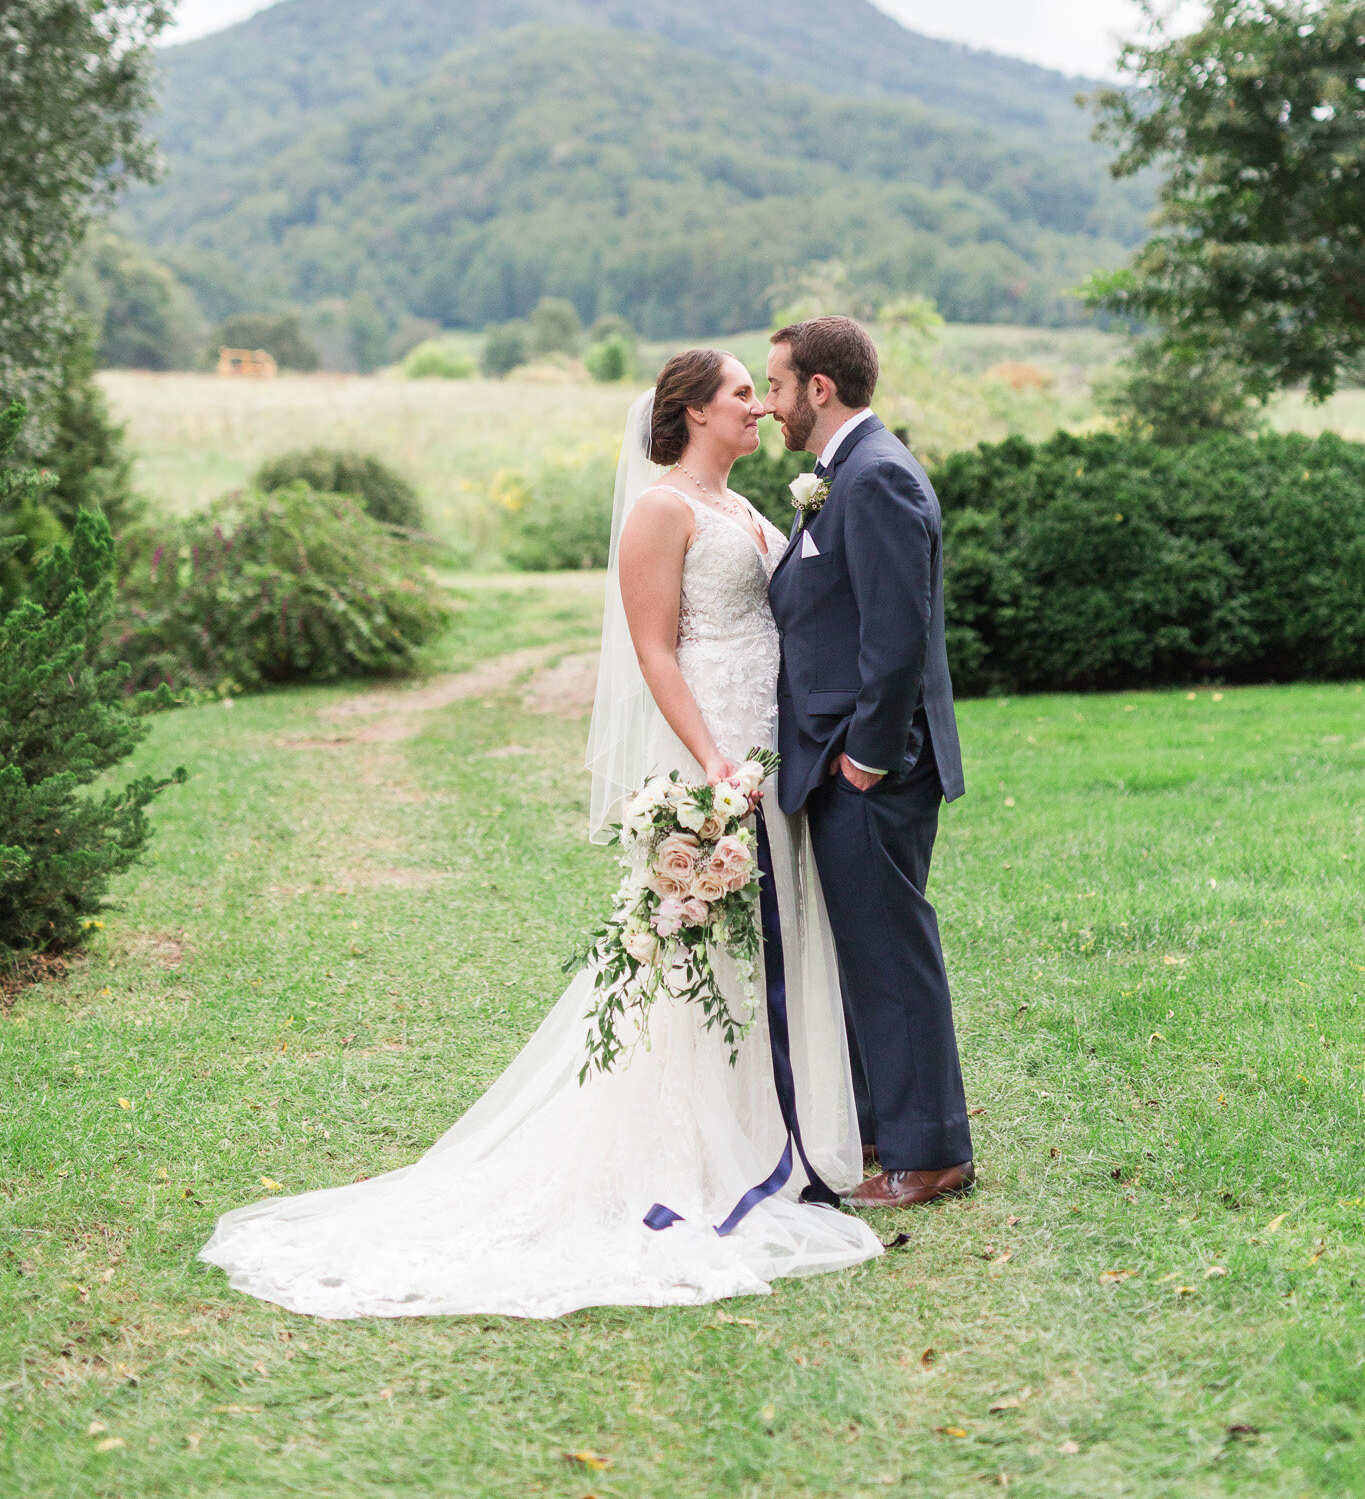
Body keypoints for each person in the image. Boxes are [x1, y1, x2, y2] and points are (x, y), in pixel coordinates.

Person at [199, 349, 879, 1318]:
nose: (757, 406)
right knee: (695, 947)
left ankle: (773, 1121)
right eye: (739, 392)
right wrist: (712, 760)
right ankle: (688, 1146)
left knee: (760, 940)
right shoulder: (661, 509)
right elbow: (652, 647)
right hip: (715, 748)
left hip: (768, 745)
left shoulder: (748, 506)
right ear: (690, 410)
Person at [765, 316, 974, 1210]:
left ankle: (929, 1156)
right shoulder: (840, 474)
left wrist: (865, 758)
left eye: (776, 385)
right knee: (866, 948)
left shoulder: (877, 476)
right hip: (840, 758)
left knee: (891, 951)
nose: (769, 404)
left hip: (873, 765)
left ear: (820, 387)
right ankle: (884, 1130)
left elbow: (896, 634)